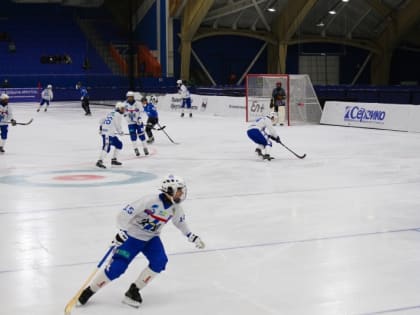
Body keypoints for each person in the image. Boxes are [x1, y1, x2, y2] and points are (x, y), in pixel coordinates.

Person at [77, 174, 205, 308]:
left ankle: (134, 290)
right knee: (117, 268)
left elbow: (180, 223)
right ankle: (90, 290)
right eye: (178, 190)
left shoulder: (175, 207)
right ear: (169, 190)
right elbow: (124, 215)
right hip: (132, 238)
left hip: (151, 239)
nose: (181, 193)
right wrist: (122, 231)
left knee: (160, 261)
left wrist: (191, 236)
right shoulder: (149, 201)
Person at [96, 102, 125, 169]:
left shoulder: (111, 112)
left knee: (119, 144)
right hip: (107, 134)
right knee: (107, 147)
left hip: (109, 133)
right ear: (118, 108)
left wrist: (101, 128)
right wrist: (120, 132)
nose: (123, 110)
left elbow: (101, 120)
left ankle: (114, 160)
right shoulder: (118, 115)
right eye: (122, 109)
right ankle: (100, 161)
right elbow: (118, 125)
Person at [124, 91, 149, 157]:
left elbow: (142, 111)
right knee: (133, 136)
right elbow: (124, 114)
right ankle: (136, 149)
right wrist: (129, 120)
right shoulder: (124, 104)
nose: (130, 98)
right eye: (129, 97)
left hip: (138, 122)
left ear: (133, 97)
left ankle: (145, 148)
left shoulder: (138, 103)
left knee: (141, 135)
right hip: (131, 123)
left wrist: (139, 118)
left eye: (131, 97)